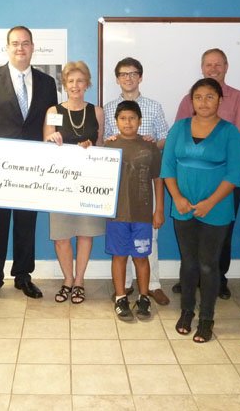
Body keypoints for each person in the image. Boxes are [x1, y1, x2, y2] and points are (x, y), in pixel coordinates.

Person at [0, 26, 58, 306]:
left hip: (32, 168)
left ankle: (23, 276)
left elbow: (51, 121)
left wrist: (57, 139)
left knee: (26, 224)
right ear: (7, 48)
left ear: (33, 47)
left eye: (26, 43)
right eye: (15, 43)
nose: (20, 48)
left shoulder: (47, 83)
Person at [162, 78, 240, 342]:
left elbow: (235, 173)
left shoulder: (230, 132)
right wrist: (177, 197)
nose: (204, 102)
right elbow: (167, 167)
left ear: (220, 100)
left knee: (209, 265)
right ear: (191, 101)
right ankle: (187, 311)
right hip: (182, 206)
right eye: (198, 97)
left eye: (210, 97)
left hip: (217, 208)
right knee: (188, 263)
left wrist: (210, 202)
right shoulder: (179, 128)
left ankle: (207, 318)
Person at [173, 48, 240, 299]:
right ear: (202, 67)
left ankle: (218, 278)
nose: (213, 69)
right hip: (191, 178)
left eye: (218, 64)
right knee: (190, 228)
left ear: (227, 66)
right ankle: (191, 277)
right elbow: (180, 133)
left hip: (226, 178)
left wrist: (209, 150)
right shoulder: (189, 99)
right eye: (208, 65)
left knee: (222, 231)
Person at [103, 57, 170, 305]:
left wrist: (151, 143)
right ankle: (125, 288)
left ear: (140, 76)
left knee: (147, 243)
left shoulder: (154, 106)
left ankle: (152, 286)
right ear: (117, 78)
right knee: (121, 248)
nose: (128, 78)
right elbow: (107, 142)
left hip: (143, 184)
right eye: (123, 74)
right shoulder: (110, 108)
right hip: (120, 194)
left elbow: (164, 138)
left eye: (133, 73)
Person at [44, 61, 105, 304]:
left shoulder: (97, 111)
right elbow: (45, 144)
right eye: (70, 81)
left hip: (88, 183)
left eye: (80, 81)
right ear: (64, 84)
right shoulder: (54, 111)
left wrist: (93, 147)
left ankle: (79, 281)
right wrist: (52, 138)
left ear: (87, 83)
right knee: (61, 236)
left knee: (85, 233)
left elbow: (102, 145)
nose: (75, 85)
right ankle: (67, 279)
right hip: (60, 182)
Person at [105, 100, 164, 321]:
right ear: (116, 121)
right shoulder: (108, 146)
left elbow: (158, 179)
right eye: (122, 118)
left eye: (132, 118)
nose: (127, 122)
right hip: (116, 215)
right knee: (119, 256)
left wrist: (159, 210)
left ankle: (144, 296)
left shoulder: (149, 147)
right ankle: (121, 297)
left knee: (141, 256)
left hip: (143, 214)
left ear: (140, 121)